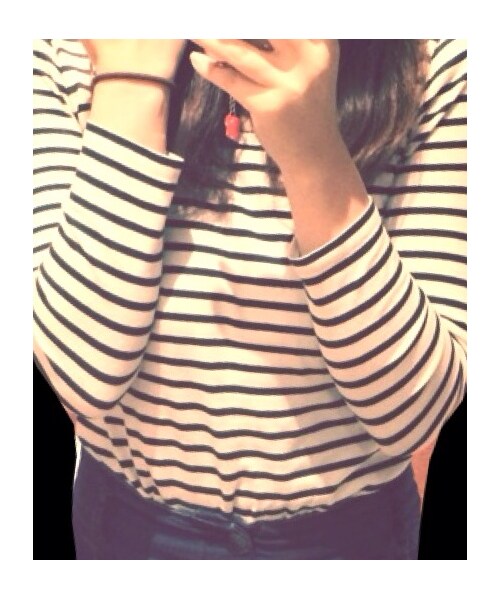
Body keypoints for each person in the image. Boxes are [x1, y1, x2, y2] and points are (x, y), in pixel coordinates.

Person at [33, 38, 467, 560]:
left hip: (348, 535)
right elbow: (80, 375)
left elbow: (413, 415)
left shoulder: (438, 57)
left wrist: (313, 153)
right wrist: (132, 81)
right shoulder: (65, 47)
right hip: (133, 525)